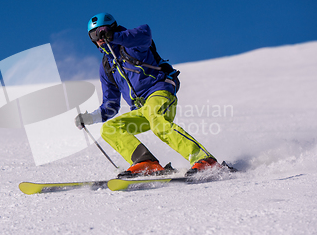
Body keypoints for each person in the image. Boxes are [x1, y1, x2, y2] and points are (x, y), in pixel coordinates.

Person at [75, 12, 222, 177]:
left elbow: (145, 33)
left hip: (160, 93)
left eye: (102, 31)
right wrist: (90, 118)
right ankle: (145, 162)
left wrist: (115, 37)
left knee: (157, 120)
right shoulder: (107, 67)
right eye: (93, 35)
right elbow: (111, 105)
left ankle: (204, 159)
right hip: (141, 109)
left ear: (112, 29)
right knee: (110, 128)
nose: (99, 37)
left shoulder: (133, 45)